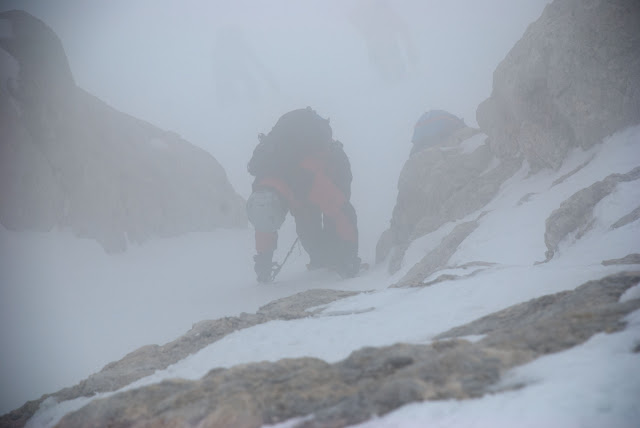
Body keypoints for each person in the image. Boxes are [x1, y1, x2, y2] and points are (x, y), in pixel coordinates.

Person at [246, 107, 360, 282]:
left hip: (334, 169)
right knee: (309, 232)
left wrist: (350, 256)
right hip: (299, 189)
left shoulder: (307, 180)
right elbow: (264, 227)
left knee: (332, 221)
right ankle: (323, 260)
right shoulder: (262, 193)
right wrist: (263, 262)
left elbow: (343, 213)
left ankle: (340, 260)